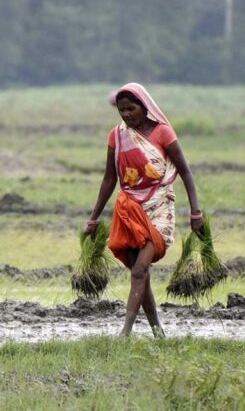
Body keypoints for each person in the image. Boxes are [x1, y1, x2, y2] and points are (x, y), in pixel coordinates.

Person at [84, 83, 203, 338]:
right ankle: (157, 331)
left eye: (131, 108)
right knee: (141, 272)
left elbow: (185, 172)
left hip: (160, 208)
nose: (126, 114)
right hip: (130, 209)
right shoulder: (117, 136)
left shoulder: (163, 133)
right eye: (121, 110)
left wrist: (196, 212)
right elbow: (109, 179)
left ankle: (124, 333)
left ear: (144, 106)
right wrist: (93, 218)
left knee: (140, 270)